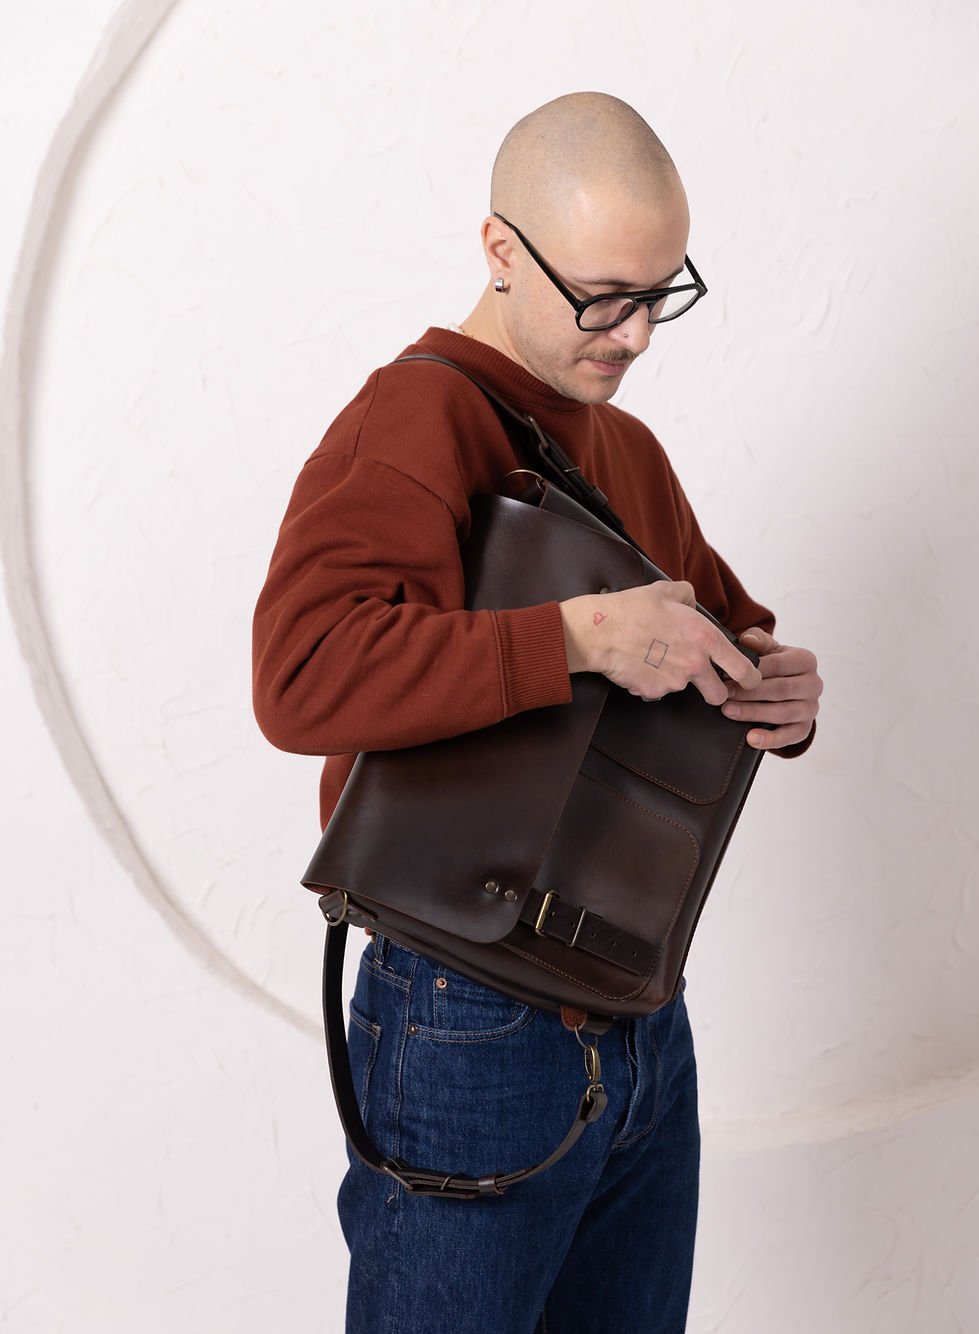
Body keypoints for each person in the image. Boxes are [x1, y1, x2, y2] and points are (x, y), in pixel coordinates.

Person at [252, 92, 822, 1334]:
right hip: (466, 1010)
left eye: (661, 293)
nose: (636, 335)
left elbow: (722, 630)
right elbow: (301, 673)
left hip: (638, 1009)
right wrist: (575, 636)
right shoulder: (413, 418)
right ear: (501, 250)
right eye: (603, 297)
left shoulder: (625, 447)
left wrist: (777, 685)